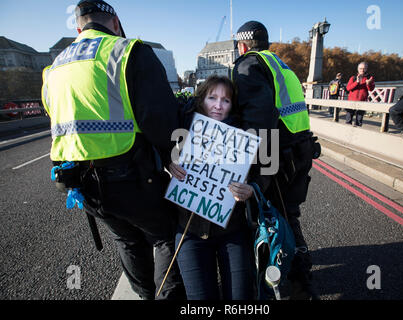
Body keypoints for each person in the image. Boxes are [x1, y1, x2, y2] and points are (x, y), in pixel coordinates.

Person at [41, 0, 185, 300]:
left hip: (83, 184)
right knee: (164, 237)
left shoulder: (53, 68)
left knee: (127, 240)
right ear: (116, 23)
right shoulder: (128, 51)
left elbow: (54, 116)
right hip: (132, 176)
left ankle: (145, 294)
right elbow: (160, 117)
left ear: (79, 27)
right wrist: (173, 155)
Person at [232, 21, 320, 300]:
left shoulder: (247, 65)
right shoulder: (279, 63)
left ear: (242, 45)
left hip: (279, 154)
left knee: (276, 222)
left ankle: (298, 285)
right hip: (301, 149)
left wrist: (255, 171)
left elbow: (259, 122)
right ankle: (301, 274)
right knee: (288, 216)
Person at [168, 75, 256, 300]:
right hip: (191, 232)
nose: (218, 105)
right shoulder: (180, 128)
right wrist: (168, 164)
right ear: (202, 99)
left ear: (232, 105)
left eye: (225, 100)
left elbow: (262, 174)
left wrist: (252, 189)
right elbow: (155, 152)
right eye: (212, 97)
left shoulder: (245, 137)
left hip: (233, 231)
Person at [345, 62, 375, 126]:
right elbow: (348, 88)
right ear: (358, 69)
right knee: (348, 120)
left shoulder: (369, 78)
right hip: (351, 101)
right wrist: (356, 82)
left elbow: (371, 89)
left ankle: (357, 133)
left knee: (359, 121)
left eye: (364, 68)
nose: (362, 70)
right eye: (361, 68)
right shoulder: (353, 78)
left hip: (362, 101)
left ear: (367, 69)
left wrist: (368, 83)